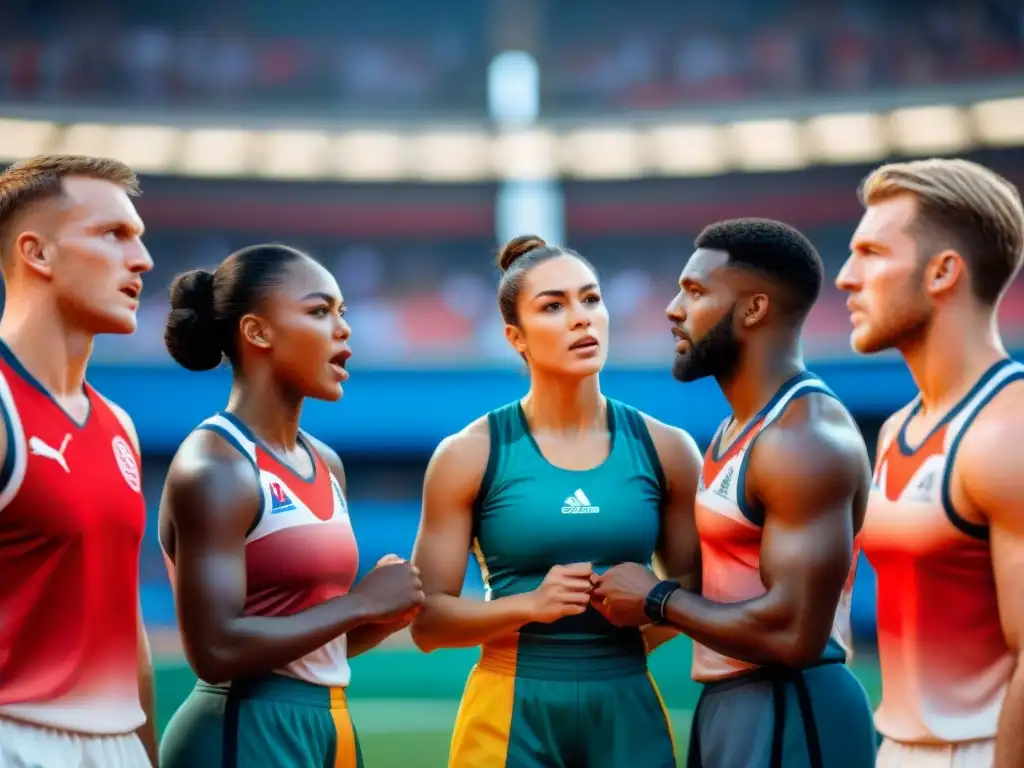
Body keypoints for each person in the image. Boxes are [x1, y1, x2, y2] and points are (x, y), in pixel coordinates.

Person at [409, 235, 703, 768]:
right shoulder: (468, 454)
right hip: (508, 713)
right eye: (553, 306)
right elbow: (427, 624)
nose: (581, 318)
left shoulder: (668, 449)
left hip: (627, 707)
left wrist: (644, 614)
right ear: (515, 337)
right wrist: (529, 606)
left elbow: (695, 592)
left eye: (591, 299)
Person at [594, 218, 878, 768]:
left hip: (792, 705)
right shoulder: (734, 431)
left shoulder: (802, 438)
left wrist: (657, 599)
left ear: (753, 310)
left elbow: (795, 632)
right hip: (734, 701)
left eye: (696, 291)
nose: (673, 308)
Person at [156, 244, 425, 768]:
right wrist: (361, 604)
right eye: (320, 311)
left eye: (343, 312)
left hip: (328, 725)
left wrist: (382, 619)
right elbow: (215, 651)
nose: (344, 328)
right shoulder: (215, 464)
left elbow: (312, 649)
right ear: (257, 332)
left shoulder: (325, 462)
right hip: (241, 730)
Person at [836, 158, 1024, 768]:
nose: (845, 278)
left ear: (943, 272)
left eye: (871, 253)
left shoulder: (1007, 430)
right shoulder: (897, 427)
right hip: (898, 747)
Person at [0, 155, 157, 767]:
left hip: (120, 744)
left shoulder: (120, 426)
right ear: (37, 253)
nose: (141, 259)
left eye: (139, 238)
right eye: (113, 234)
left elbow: (129, 629)